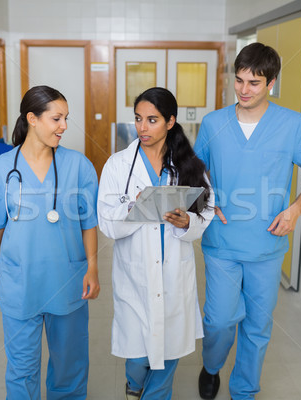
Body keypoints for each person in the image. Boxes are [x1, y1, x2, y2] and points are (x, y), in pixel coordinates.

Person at [194, 42, 301, 400]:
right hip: (222, 241)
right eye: (239, 80)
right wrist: (206, 197)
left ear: (271, 83)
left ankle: (244, 390)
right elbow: (193, 171)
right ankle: (211, 365)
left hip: (267, 245)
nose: (243, 90)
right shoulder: (213, 123)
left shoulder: (292, 125)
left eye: (254, 83)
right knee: (219, 321)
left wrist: (295, 209)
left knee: (257, 326)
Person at [0, 85, 100, 399]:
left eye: (66, 118)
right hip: (21, 283)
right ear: (31, 118)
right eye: (56, 118)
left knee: (69, 368)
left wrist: (93, 268)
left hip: (67, 280)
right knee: (21, 369)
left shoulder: (79, 166)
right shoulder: (2, 169)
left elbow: (89, 223)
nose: (64, 126)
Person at [97, 87, 214, 399]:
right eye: (138, 119)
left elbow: (207, 210)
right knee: (138, 357)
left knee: (167, 356)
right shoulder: (118, 165)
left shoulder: (190, 165)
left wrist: (187, 222)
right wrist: (133, 208)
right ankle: (134, 385)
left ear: (170, 121)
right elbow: (107, 222)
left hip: (174, 272)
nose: (142, 127)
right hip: (134, 275)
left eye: (152, 120)